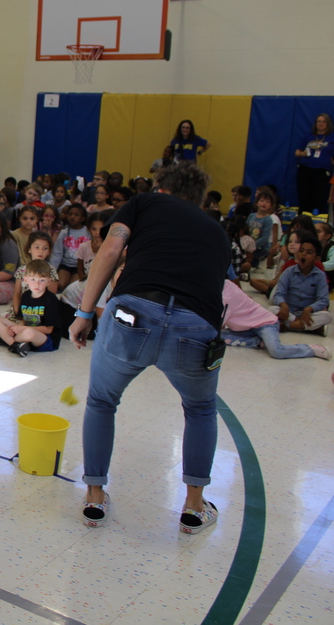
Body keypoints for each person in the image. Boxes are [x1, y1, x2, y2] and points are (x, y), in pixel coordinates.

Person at [69, 161, 230, 535]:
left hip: (133, 314)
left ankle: (95, 497)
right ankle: (193, 506)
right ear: (199, 197)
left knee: (102, 401)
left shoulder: (144, 204)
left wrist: (84, 313)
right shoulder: (217, 231)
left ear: (162, 187)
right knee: (201, 409)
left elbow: (110, 250)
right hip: (196, 327)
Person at [222, 279, 329, 360]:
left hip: (266, 323)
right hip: (245, 327)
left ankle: (310, 349)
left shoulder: (226, 294)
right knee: (217, 337)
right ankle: (259, 342)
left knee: (276, 351)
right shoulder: (224, 286)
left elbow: (217, 322)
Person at [0, 259, 61, 356]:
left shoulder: (51, 299)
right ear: (25, 280)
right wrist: (17, 327)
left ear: (49, 281)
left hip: (45, 338)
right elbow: (24, 319)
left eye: (42, 280)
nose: (37, 284)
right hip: (25, 330)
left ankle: (5, 340)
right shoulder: (26, 296)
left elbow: (48, 330)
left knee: (29, 333)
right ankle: (15, 345)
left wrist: (21, 329)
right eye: (33, 279)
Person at [270, 232, 331, 333]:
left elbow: (323, 300)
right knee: (272, 309)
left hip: (308, 313)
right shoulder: (289, 271)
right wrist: (283, 304)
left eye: (309, 252)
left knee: (327, 316)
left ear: (316, 259)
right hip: (289, 311)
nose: (304, 254)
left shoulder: (320, 275)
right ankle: (305, 326)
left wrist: (309, 309)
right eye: (301, 251)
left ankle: (287, 326)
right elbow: (279, 294)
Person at [295, 114, 334, 215]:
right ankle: (303, 221)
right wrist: (302, 153)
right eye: (319, 121)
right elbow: (297, 152)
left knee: (319, 199)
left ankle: (318, 223)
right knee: (304, 197)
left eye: (323, 121)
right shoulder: (309, 136)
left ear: (328, 123)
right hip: (305, 170)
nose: (321, 124)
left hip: (322, 172)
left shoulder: (331, 137)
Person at [50, 204, 90, 288]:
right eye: (70, 214)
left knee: (72, 286)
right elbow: (57, 253)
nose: (72, 217)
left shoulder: (88, 232)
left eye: (76, 215)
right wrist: (51, 271)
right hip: (66, 265)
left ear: (83, 218)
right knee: (60, 284)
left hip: (80, 266)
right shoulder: (64, 232)